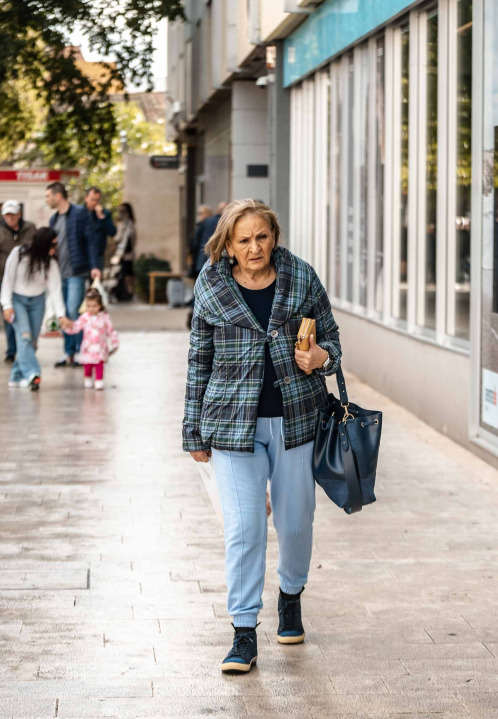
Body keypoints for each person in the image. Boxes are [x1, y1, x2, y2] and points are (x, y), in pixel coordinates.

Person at [184, 199, 343, 674]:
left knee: (295, 521)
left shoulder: (301, 276)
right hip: (232, 424)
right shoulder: (211, 285)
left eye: (263, 236)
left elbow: (332, 339)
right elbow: (198, 361)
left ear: (274, 236)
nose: (256, 247)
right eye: (244, 240)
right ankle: (243, 631)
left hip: (296, 421)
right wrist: (192, 429)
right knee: (244, 528)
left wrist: (322, 359)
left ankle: (290, 595)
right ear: (228, 246)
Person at [1, 227, 70, 391]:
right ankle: (33, 374)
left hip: (38, 302)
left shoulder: (51, 262)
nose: (56, 247)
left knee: (32, 342)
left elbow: (55, 289)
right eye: (53, 244)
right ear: (43, 244)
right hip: (17, 300)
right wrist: (7, 305)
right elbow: (8, 280)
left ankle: (16, 376)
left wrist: (61, 315)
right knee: (24, 337)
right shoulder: (18, 254)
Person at [46, 182, 105, 368]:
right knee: (63, 314)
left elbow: (91, 242)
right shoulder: (53, 220)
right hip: (58, 274)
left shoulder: (79, 214)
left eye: (48, 196)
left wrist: (95, 265)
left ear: (58, 196)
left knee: (74, 312)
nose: (46, 200)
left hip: (76, 272)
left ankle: (82, 352)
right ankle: (69, 354)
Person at [0, 200, 36, 363]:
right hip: (4, 280)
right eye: (7, 214)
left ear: (19, 214)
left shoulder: (31, 229)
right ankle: (11, 351)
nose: (10, 217)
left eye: (13, 214)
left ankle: (27, 349)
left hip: (27, 280)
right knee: (9, 316)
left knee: (28, 317)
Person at [64, 287, 120, 390]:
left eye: (94, 306)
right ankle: (88, 378)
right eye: (89, 306)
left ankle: (99, 381)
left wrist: (114, 343)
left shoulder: (104, 318)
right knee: (88, 365)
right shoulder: (84, 317)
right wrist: (68, 326)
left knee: (99, 365)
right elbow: (77, 327)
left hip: (100, 346)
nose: (92, 308)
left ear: (100, 306)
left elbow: (110, 331)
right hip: (88, 347)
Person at [108, 202, 137, 302]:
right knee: (121, 274)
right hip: (121, 254)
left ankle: (127, 293)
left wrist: (116, 243)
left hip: (125, 254)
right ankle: (122, 293)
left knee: (126, 274)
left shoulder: (128, 224)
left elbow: (128, 239)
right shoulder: (125, 223)